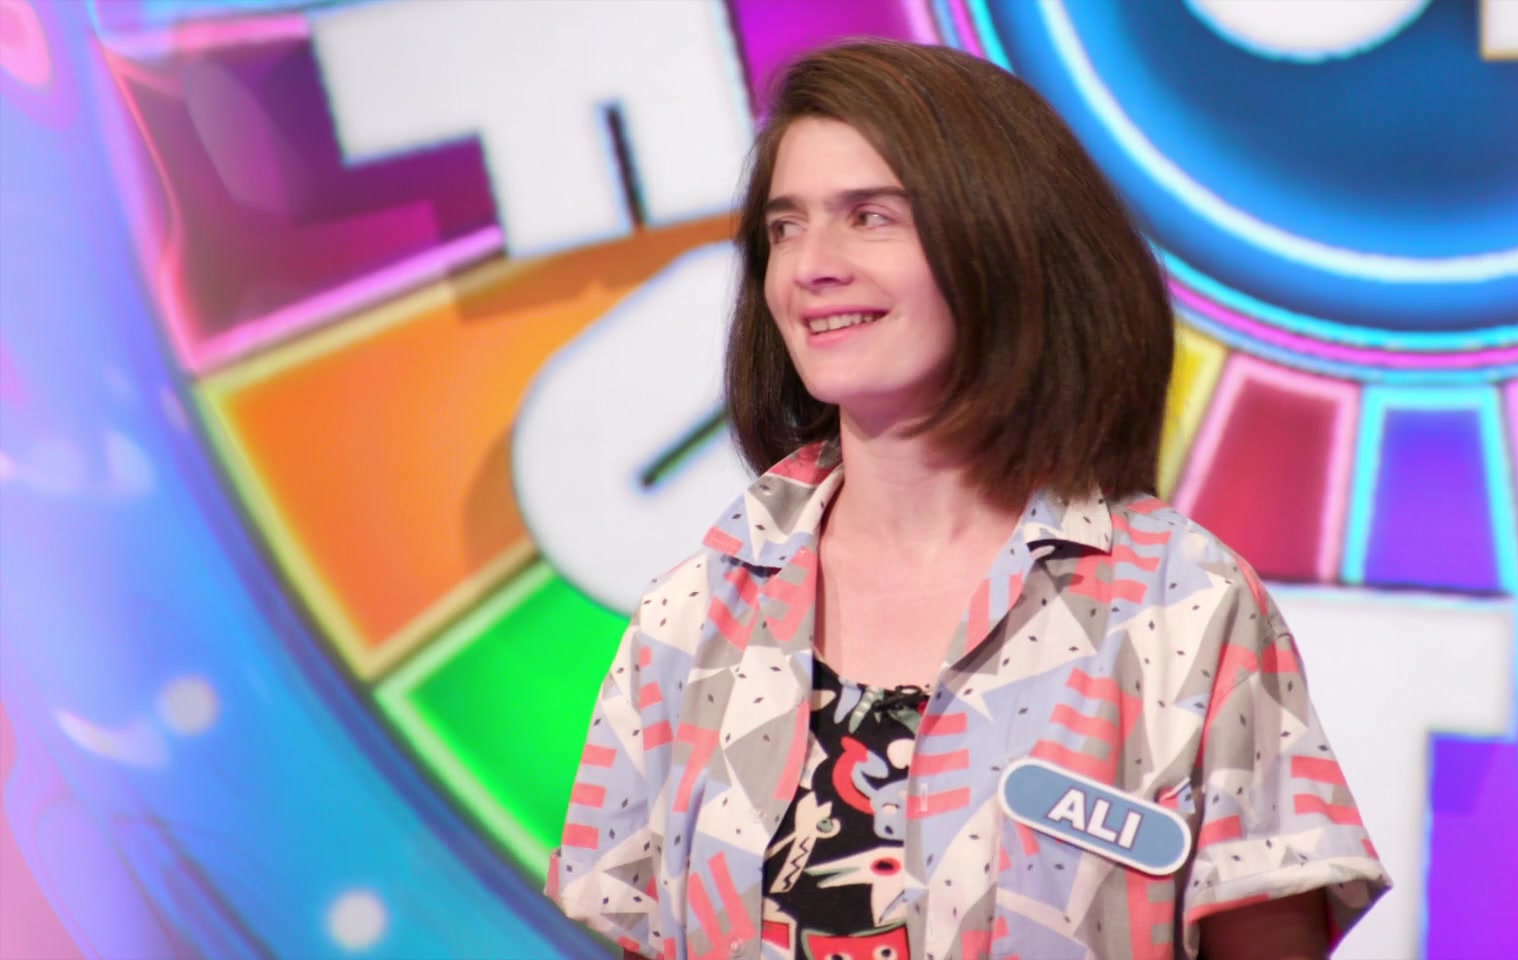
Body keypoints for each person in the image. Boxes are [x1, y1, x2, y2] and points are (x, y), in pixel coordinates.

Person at [547, 39, 1389, 960]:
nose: (811, 265)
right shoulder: (694, 615)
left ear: (1001, 243)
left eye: (870, 217)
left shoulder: (1183, 606)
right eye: (785, 227)